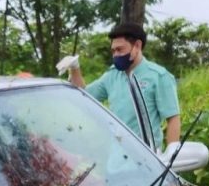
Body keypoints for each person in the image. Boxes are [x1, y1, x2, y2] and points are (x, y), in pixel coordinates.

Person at [58, 22, 181, 152]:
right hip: (116, 159)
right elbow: (83, 95)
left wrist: (171, 154)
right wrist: (75, 67)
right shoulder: (112, 76)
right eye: (113, 50)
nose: (115, 55)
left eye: (120, 49)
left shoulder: (158, 76)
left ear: (137, 46)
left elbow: (173, 118)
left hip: (147, 159)